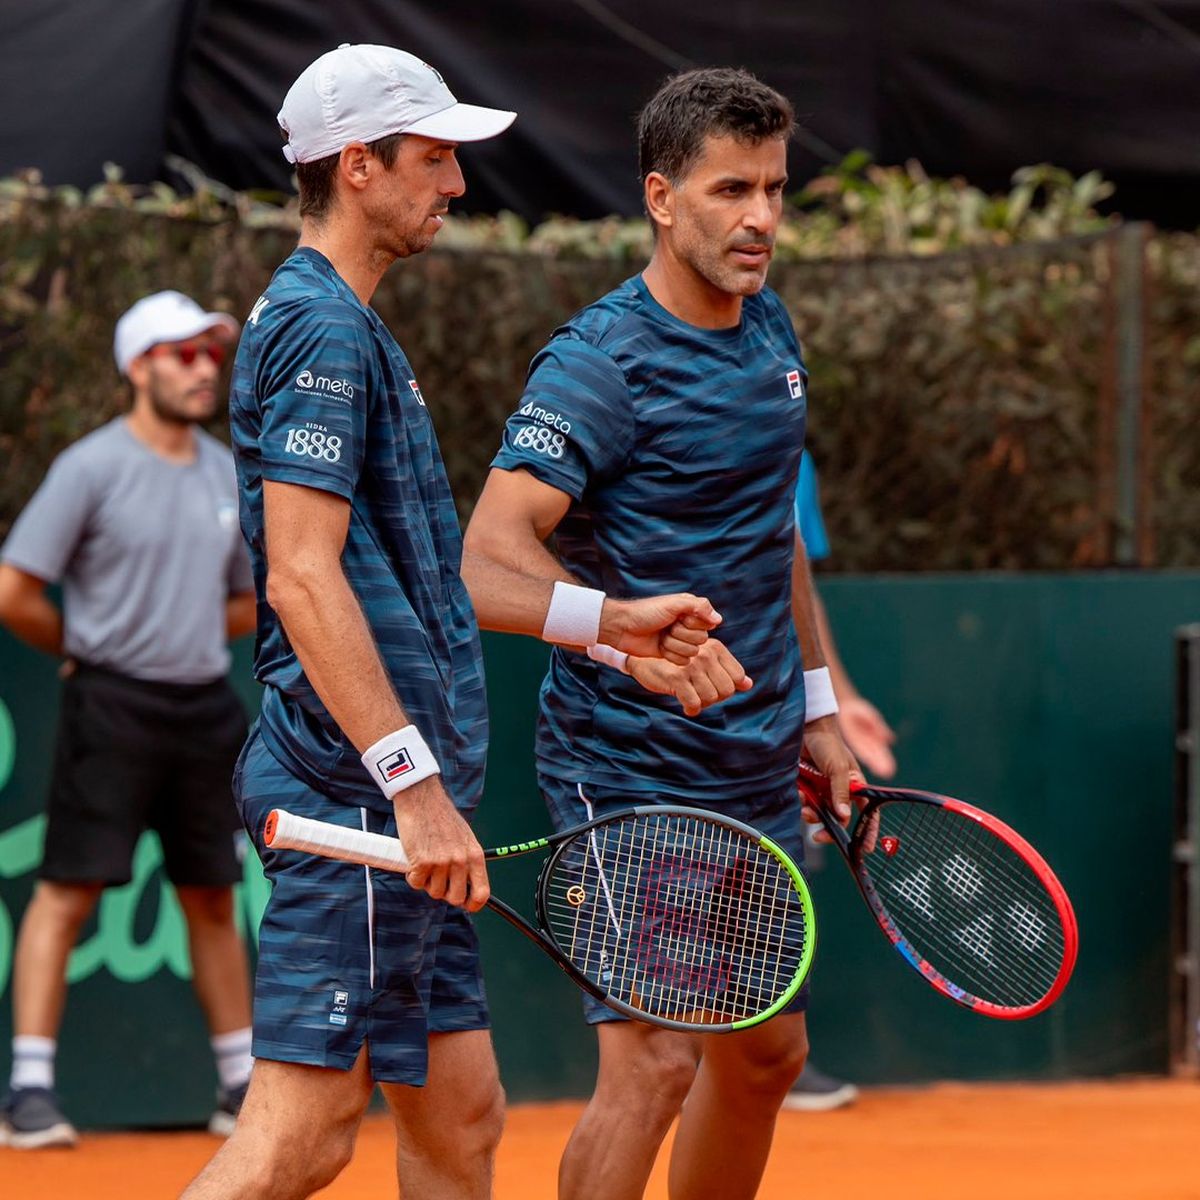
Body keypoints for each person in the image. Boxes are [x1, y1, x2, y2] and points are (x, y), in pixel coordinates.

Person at [181, 45, 720, 1200]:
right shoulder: (322, 330)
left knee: (461, 1120)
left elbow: (430, 584)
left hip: (398, 797)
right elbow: (302, 581)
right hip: (362, 798)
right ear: (358, 164)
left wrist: (605, 625)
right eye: (433, 159)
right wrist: (412, 789)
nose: (458, 185)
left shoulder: (347, 326)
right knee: (306, 1132)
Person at [464, 66, 860, 1200]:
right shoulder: (599, 365)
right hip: (624, 767)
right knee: (655, 1064)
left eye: (776, 189)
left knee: (767, 1057)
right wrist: (615, 633)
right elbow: (484, 559)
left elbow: (772, 533)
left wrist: (820, 714)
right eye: (732, 189)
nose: (761, 219)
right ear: (661, 196)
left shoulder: (768, 329)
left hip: (751, 759)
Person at [0, 291, 256, 1148]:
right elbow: (14, 590)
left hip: (203, 711)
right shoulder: (90, 467)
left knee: (213, 897)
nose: (201, 369)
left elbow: (248, 599)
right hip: (109, 705)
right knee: (66, 893)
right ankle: (29, 1090)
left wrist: (179, 630)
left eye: (209, 355)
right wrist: (85, 644)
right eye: (182, 354)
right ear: (138, 366)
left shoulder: (226, 471)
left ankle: (239, 1082)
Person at [783, 448, 898, 1112]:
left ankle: (772, 1059)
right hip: (659, 701)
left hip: (771, 703)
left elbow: (797, 585)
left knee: (777, 876)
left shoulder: (784, 437)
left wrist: (836, 702)